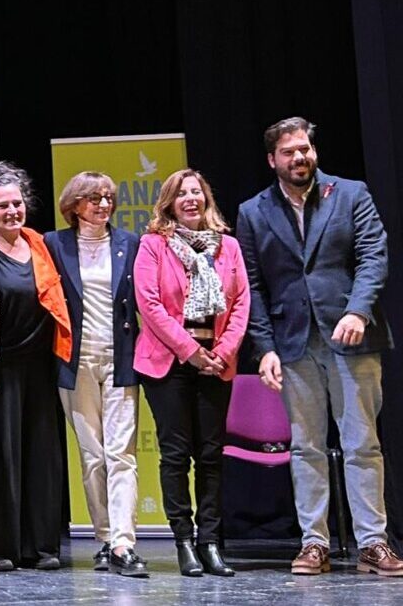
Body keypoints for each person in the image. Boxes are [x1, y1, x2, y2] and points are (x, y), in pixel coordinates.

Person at [237, 117, 401, 577]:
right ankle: (315, 543)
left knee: (362, 444)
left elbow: (373, 254)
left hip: (351, 337)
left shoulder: (350, 194)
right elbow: (252, 285)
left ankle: (372, 543)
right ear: (273, 160)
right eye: (289, 152)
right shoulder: (253, 211)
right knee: (307, 448)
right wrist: (264, 347)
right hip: (292, 345)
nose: (300, 157)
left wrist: (358, 309)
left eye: (305, 148)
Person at [133, 168, 249, 578]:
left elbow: (240, 307)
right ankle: (183, 540)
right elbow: (149, 305)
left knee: (211, 456)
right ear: (169, 203)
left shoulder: (229, 247)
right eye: (181, 194)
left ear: (207, 199)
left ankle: (211, 543)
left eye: (196, 192)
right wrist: (191, 352)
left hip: (217, 361)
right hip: (168, 363)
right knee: (176, 454)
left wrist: (222, 351)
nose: (190, 199)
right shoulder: (153, 245)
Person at [0, 161, 71, 572]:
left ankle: (41, 546)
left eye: (17, 203)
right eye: (3, 206)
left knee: (42, 456)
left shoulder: (40, 244)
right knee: (0, 456)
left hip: (41, 364)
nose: (13, 211)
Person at [44, 172, 146, 577]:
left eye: (107, 197)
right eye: (92, 198)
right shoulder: (55, 244)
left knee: (121, 453)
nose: (102, 205)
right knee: (92, 457)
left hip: (121, 356)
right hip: (75, 359)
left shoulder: (129, 244)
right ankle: (104, 537)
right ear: (74, 205)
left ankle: (123, 542)